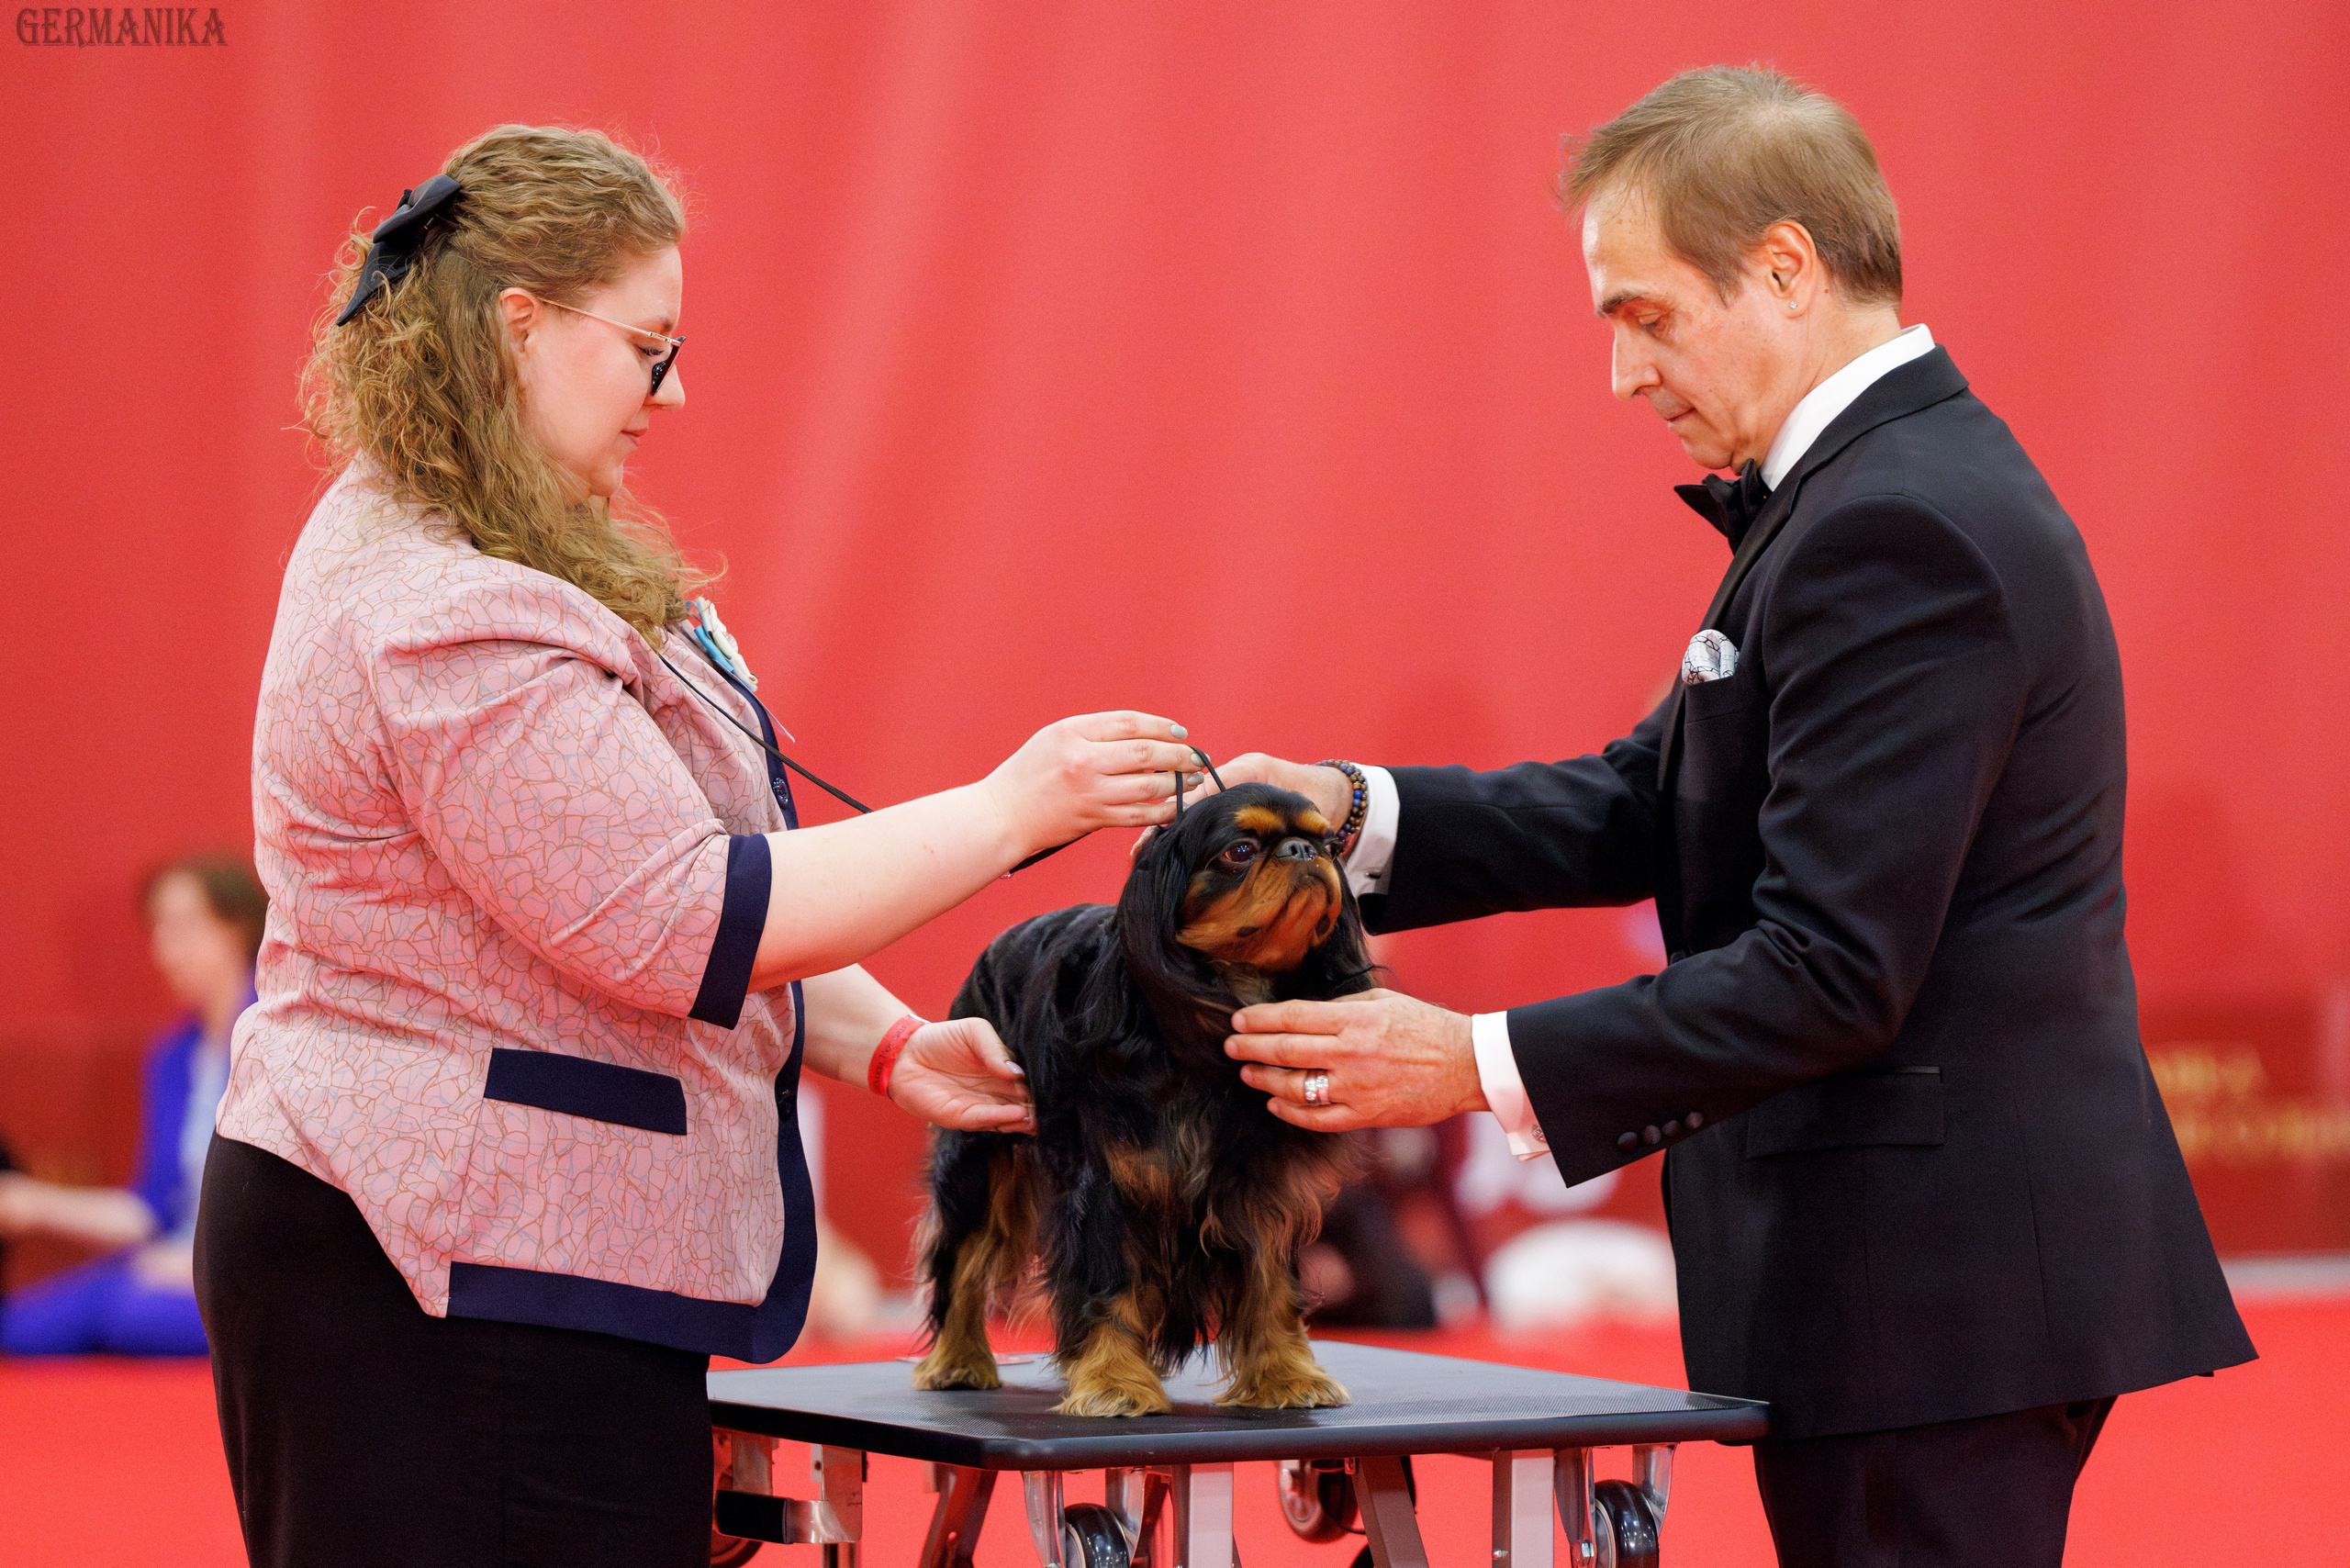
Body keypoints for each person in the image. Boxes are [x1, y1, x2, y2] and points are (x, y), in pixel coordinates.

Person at [1213, 68, 2253, 1566]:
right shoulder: (1870, 491)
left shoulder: (1898, 523)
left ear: (1784, 266)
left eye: (1645, 315)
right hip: (1917, 1293)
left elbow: (1830, 967)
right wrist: (1344, 814)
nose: (1622, 375)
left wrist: (1467, 1062)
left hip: (1932, 1298)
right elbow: (1652, 802)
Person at [196, 124, 1199, 1568]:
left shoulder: (517, 539)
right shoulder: (442, 604)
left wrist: (890, 1048)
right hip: (438, 1279)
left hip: (511, 1264)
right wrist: (1014, 808)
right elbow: (681, 915)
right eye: (649, 350)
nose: (674, 392)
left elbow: (691, 872)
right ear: (519, 325)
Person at [0, 857, 263, 1355]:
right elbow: (151, 1211)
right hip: (172, 1264)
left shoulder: (277, 1037)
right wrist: (30, 1203)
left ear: (238, 928)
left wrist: (199, 1262)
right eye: (157, 929)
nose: (165, 949)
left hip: (255, 1280)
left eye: (183, 926)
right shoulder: (174, 1056)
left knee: (119, 1306)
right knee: (28, 1321)